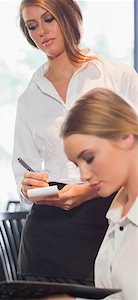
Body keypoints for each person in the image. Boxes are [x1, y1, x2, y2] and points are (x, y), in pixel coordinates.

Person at [11, 0, 137, 284]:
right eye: (32, 26)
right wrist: (30, 186)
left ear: (69, 17)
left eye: (48, 20)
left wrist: (87, 191)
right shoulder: (29, 98)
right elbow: (22, 175)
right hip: (47, 228)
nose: (41, 31)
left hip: (107, 213)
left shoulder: (118, 76)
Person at [61, 88, 137, 299]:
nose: (83, 175)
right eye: (76, 164)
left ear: (125, 137)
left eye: (89, 158)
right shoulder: (118, 208)